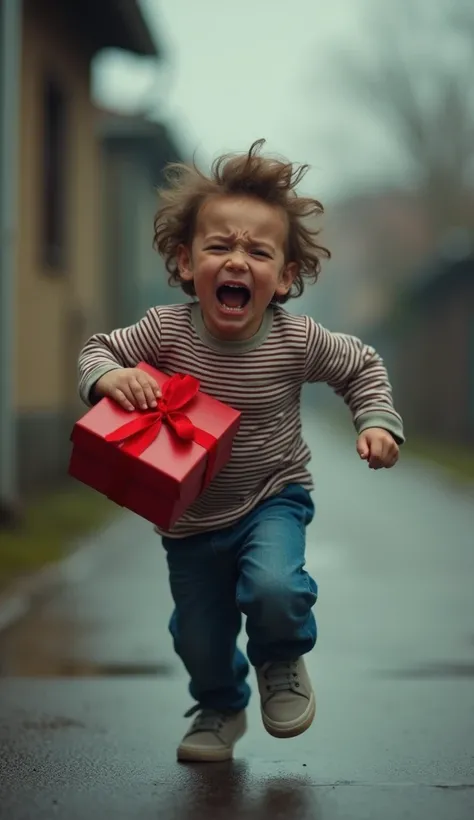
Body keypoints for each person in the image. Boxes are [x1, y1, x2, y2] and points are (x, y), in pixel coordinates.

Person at [77, 139, 404, 763]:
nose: (237, 260)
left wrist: (377, 421)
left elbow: (361, 365)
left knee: (274, 587)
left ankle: (281, 659)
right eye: (219, 245)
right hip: (189, 518)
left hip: (271, 497)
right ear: (184, 261)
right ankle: (221, 703)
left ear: (284, 276)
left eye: (258, 251)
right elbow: (98, 349)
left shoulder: (295, 338)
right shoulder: (164, 331)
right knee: (198, 636)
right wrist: (109, 379)